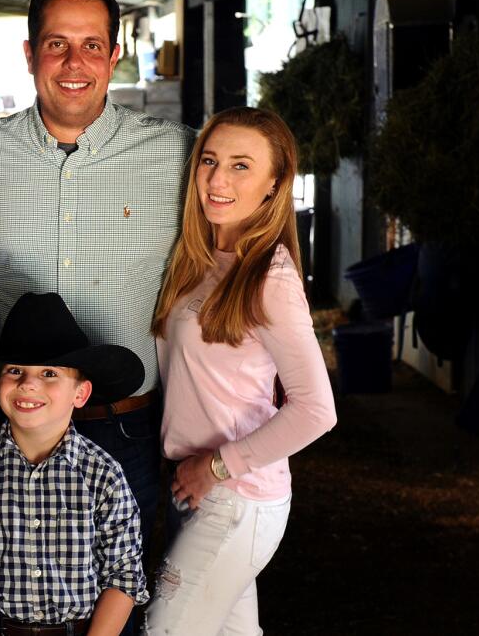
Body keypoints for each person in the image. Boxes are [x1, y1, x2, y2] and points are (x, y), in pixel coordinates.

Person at [0, 0, 195, 590]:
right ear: (31, 53)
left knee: (120, 607)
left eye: (92, 45)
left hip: (125, 429)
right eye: (57, 44)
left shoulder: (179, 158)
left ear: (115, 54)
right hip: (13, 431)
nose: (74, 63)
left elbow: (234, 264)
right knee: (9, 601)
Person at [144, 107, 337, 635]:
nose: (217, 179)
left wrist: (218, 467)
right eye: (209, 160)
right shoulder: (200, 260)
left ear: (274, 186)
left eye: (240, 166)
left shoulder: (269, 276)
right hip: (197, 488)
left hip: (236, 498)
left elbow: (317, 410)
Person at [0, 292, 149, 636]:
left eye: (49, 373)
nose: (28, 384)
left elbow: (123, 575)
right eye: (15, 370)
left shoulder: (103, 474)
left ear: (81, 393)